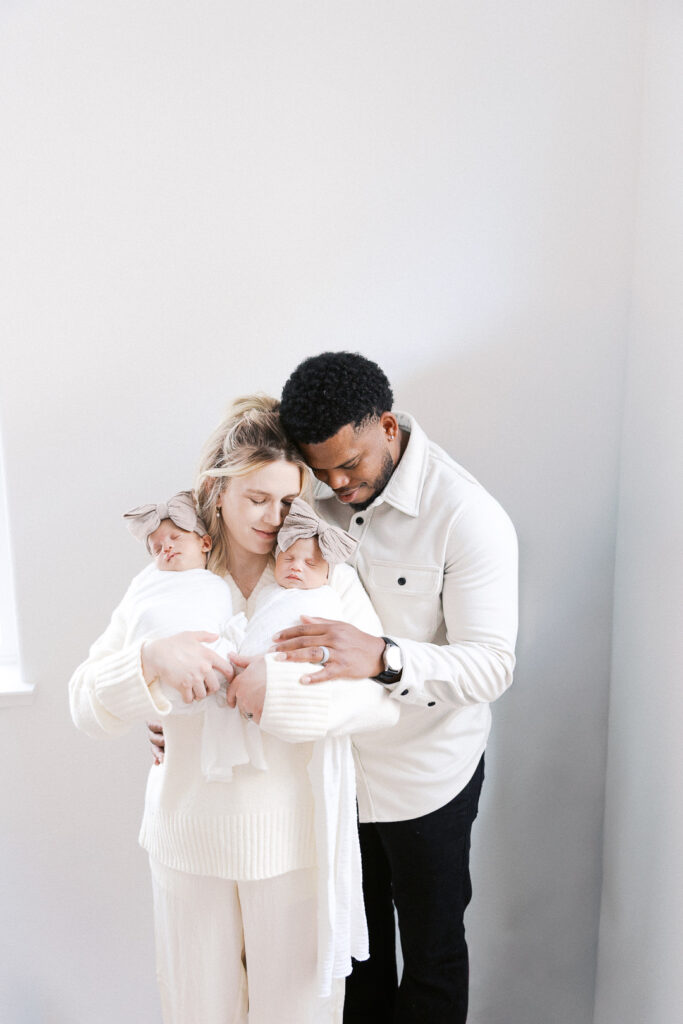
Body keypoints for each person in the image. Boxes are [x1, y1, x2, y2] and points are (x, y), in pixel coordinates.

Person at [69, 394, 398, 1024]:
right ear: (216, 491)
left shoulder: (325, 576)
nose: (275, 518)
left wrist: (283, 692)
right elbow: (84, 701)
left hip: (297, 848)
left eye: (289, 501)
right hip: (186, 843)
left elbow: (379, 702)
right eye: (257, 498)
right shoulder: (166, 578)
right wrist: (150, 662)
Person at [266, 352, 518, 1024]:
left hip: (427, 778)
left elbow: (492, 665)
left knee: (432, 959)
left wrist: (384, 657)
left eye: (349, 465)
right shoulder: (303, 491)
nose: (335, 483)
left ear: (385, 426)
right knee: (354, 962)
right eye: (321, 468)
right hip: (331, 777)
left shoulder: (466, 514)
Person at [120, 490, 266, 783]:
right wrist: (148, 660)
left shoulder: (215, 585)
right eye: (157, 548)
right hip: (165, 684)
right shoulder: (148, 585)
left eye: (175, 538)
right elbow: (141, 622)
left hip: (216, 678)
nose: (166, 548)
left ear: (205, 543)